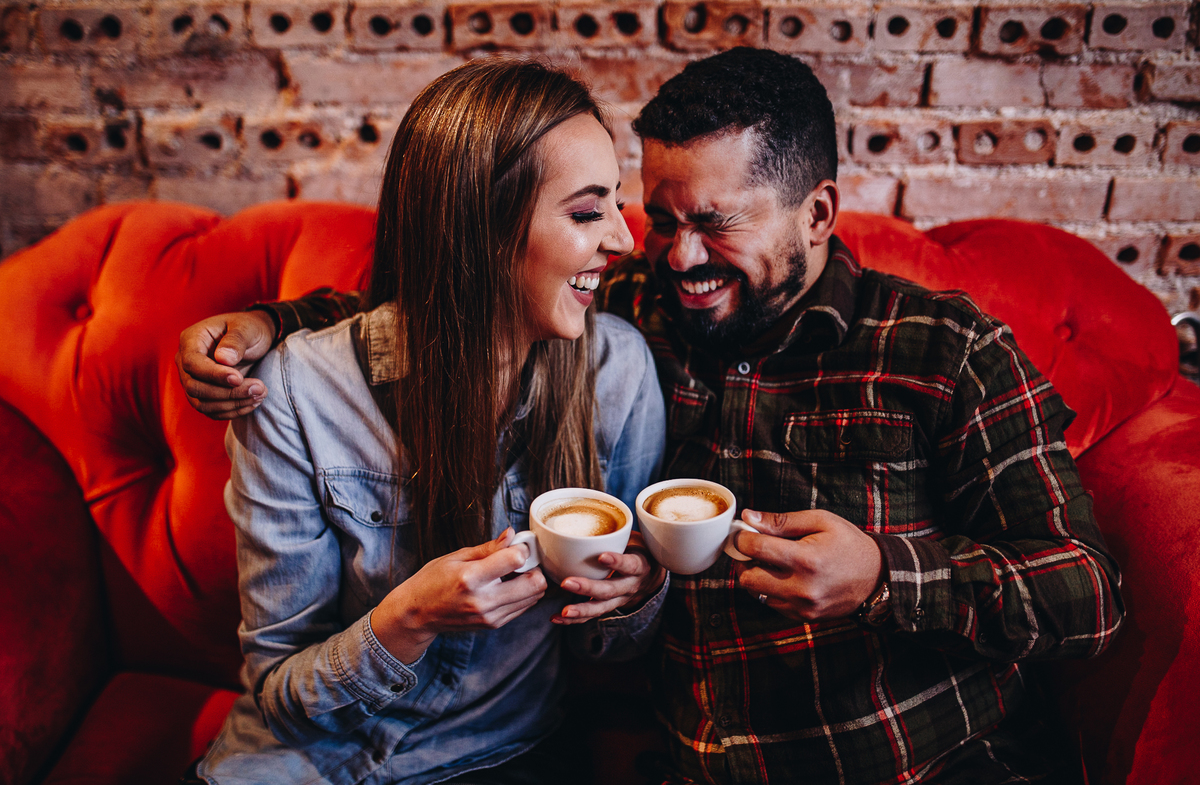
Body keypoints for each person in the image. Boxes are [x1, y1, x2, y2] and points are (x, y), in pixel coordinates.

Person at [179, 49, 1124, 784]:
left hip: (912, 762)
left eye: (714, 223)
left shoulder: (943, 349)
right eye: (660, 218)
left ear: (819, 212)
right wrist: (266, 327)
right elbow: (451, 297)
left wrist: (884, 577)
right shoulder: (625, 312)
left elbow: (1088, 592)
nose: (673, 256)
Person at [189, 58, 669, 785]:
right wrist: (406, 620)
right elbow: (280, 695)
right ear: (478, 226)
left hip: (499, 753)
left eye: (617, 204)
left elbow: (611, 649)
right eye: (585, 212)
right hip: (301, 763)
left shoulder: (620, 371)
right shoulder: (295, 392)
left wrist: (634, 594)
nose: (624, 241)